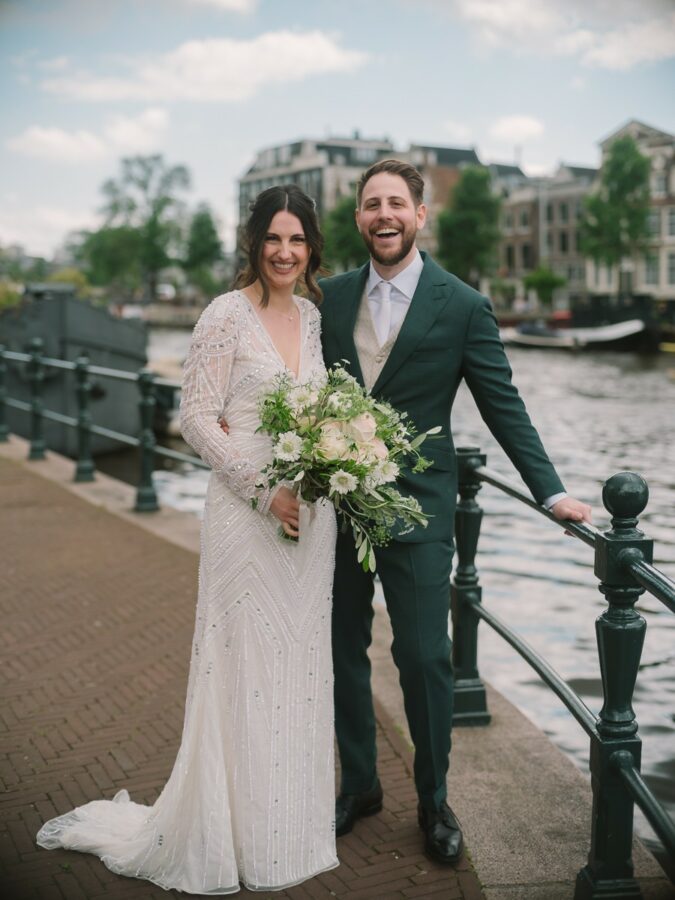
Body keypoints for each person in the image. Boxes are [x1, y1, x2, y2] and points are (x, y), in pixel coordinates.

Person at [36, 185, 339, 894]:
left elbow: (321, 408)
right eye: (274, 239)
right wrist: (265, 491)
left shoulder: (311, 316)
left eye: (297, 240)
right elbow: (198, 418)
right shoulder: (224, 315)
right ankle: (223, 834)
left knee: (294, 671)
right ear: (253, 243)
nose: (285, 252)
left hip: (310, 523)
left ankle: (282, 832)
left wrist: (331, 468)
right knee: (240, 667)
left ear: (311, 247)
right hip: (247, 514)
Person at [318, 159, 592, 865]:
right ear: (358, 217)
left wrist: (549, 489)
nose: (384, 215)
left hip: (418, 508)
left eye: (396, 204)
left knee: (424, 656)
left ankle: (433, 799)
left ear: (419, 214)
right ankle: (359, 785)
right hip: (335, 506)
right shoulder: (329, 297)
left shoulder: (462, 304)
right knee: (341, 648)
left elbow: (503, 405)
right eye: (371, 204)